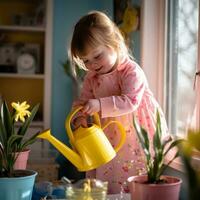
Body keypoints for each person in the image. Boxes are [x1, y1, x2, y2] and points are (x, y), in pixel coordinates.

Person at [68, 10, 168, 194]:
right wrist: (79, 117)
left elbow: (130, 101)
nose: (92, 65)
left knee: (129, 172)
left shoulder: (130, 71)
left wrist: (98, 104)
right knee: (104, 171)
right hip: (106, 134)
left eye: (97, 56)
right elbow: (82, 103)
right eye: (86, 61)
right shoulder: (92, 78)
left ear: (114, 43)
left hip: (133, 134)